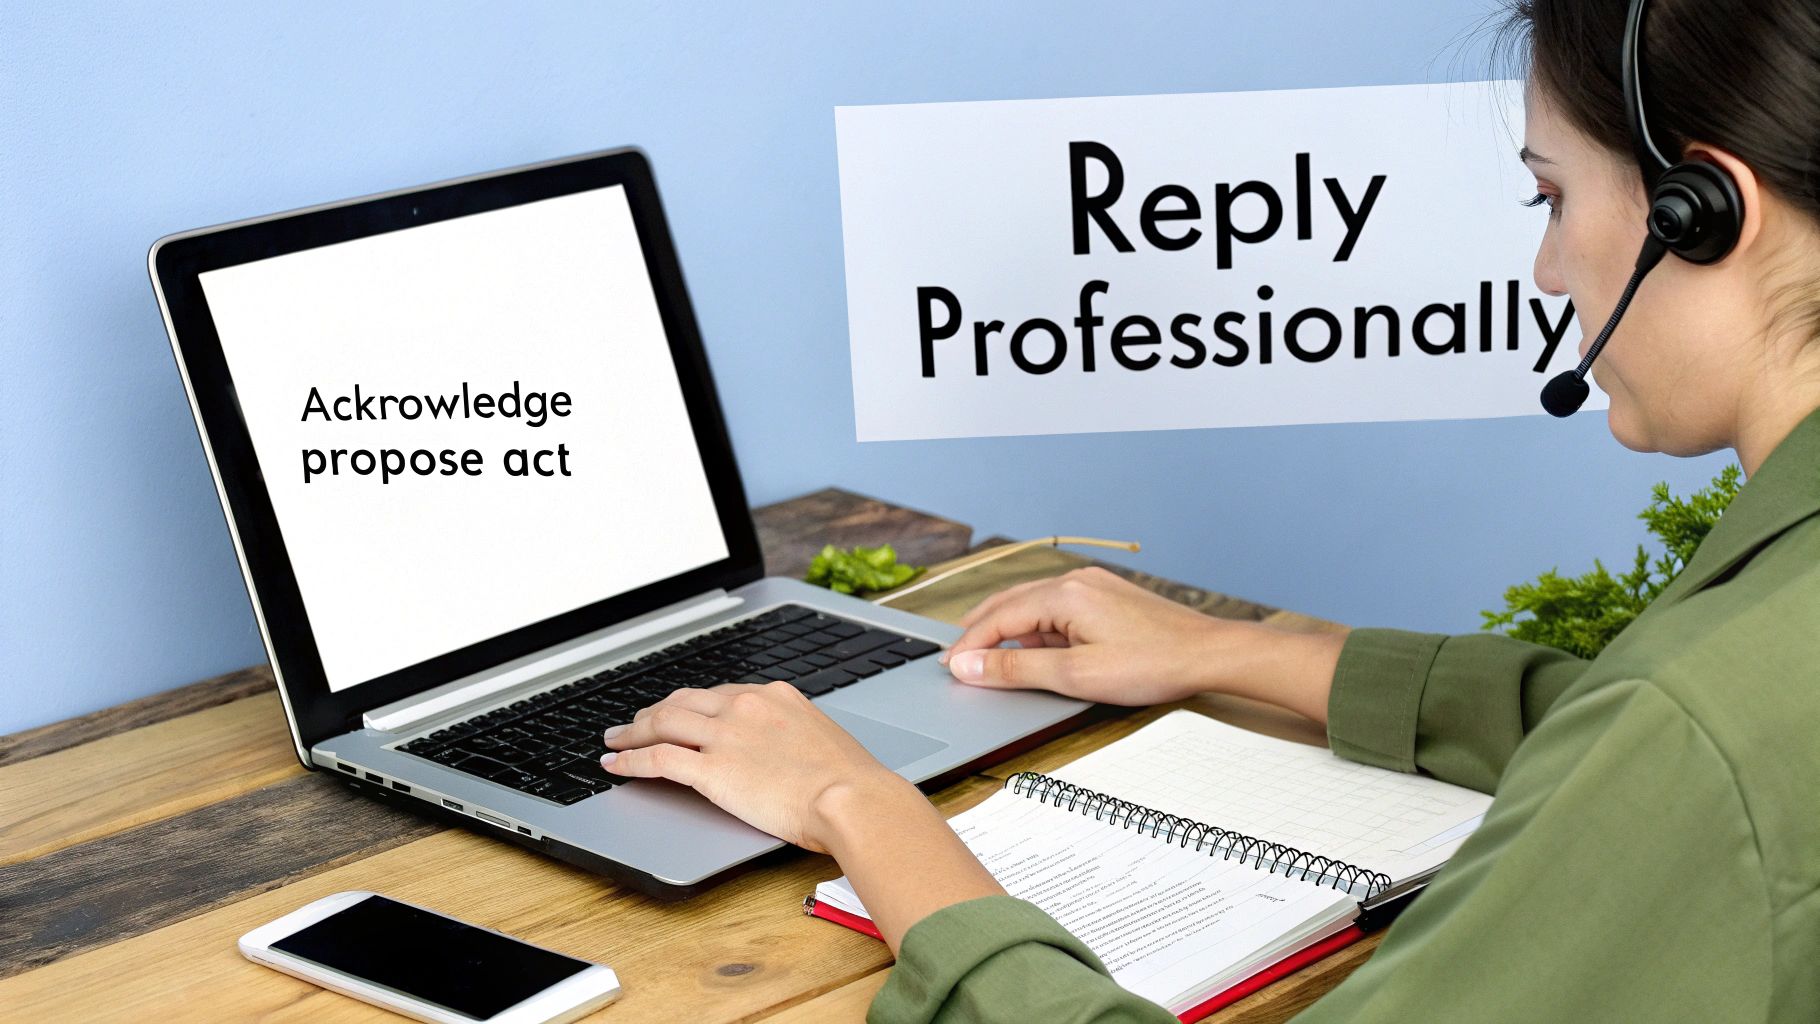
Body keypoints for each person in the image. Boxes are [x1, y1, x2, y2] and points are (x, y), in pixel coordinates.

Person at [598, 0, 1820, 1018]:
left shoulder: (1694, 719)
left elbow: (1669, 754)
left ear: (1696, 214)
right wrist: (1230, 649)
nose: (1547, 270)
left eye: (1547, 199)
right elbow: (1626, 751)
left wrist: (854, 803)